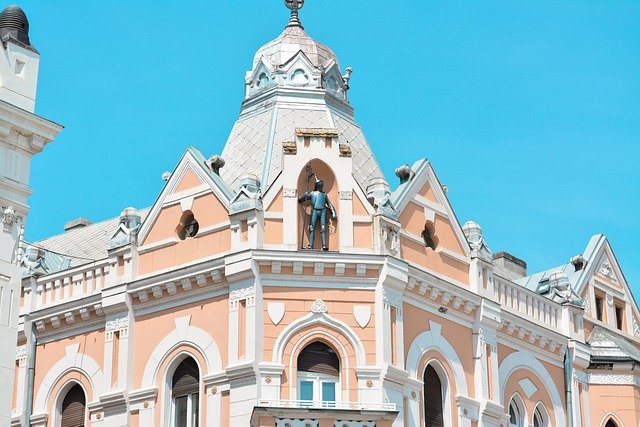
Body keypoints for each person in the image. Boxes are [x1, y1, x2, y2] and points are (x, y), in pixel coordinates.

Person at [298, 180, 337, 250]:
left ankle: (324, 245)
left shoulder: (324, 194)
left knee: (323, 228)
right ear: (317, 185)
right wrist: (305, 195)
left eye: (322, 185)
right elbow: (300, 200)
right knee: (312, 228)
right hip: (314, 211)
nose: (321, 187)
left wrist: (333, 212)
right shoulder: (312, 193)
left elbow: (329, 204)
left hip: (323, 211)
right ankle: (310, 245)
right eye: (320, 185)